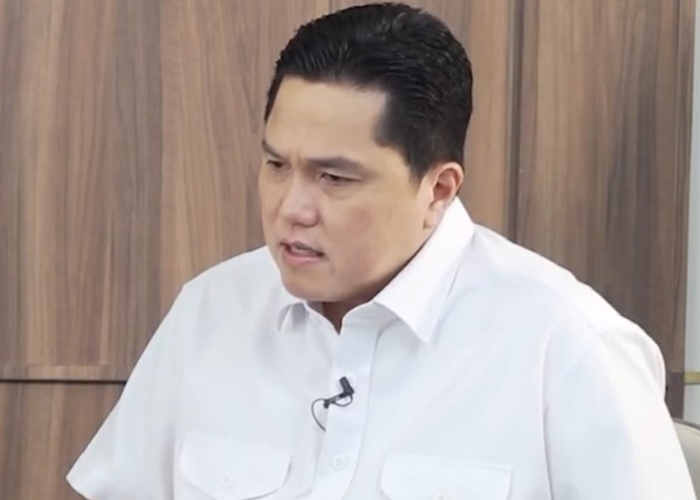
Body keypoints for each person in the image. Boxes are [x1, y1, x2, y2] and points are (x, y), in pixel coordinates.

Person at [67, 3, 695, 499]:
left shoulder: (568, 345)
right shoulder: (210, 310)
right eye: (276, 165)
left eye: (334, 178)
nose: (292, 208)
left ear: (438, 189)